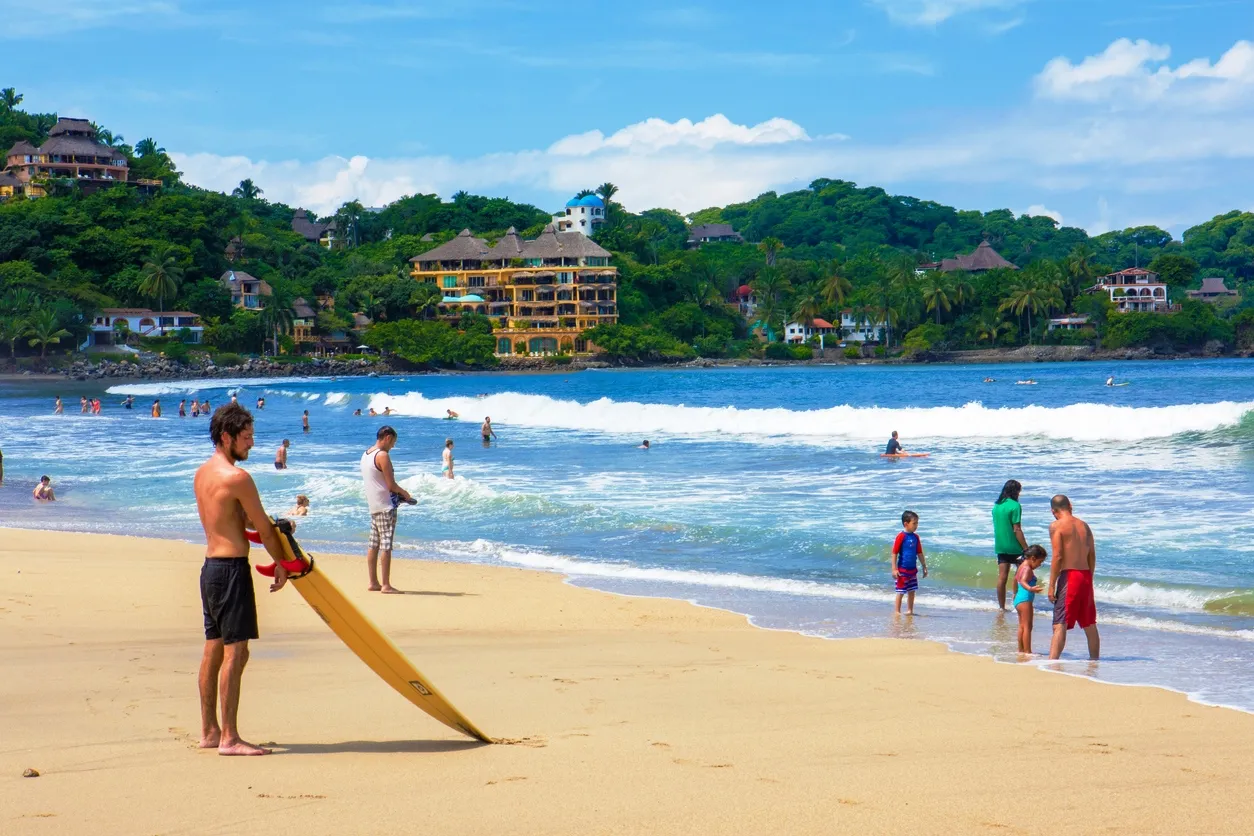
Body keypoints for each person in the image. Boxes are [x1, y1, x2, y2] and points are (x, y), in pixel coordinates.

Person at [192, 403, 290, 756]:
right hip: (231, 571)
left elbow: (233, 520)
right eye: (246, 438)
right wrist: (282, 563)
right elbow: (261, 527)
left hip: (210, 571)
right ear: (226, 436)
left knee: (213, 647)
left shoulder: (203, 474)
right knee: (237, 652)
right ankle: (230, 738)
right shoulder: (238, 478)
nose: (251, 444)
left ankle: (209, 731)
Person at [361, 425, 413, 593]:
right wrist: (406, 494)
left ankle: (373, 582)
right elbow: (391, 485)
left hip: (373, 505)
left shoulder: (366, 454)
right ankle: (385, 585)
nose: (393, 447)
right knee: (385, 545)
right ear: (388, 438)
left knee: (373, 544)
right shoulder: (382, 455)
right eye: (393, 443)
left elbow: (377, 483)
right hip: (385, 507)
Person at [1047, 495, 1100, 660]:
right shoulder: (1084, 526)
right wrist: (1089, 577)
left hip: (1070, 575)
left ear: (1053, 511)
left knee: (1059, 622)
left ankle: (1052, 662)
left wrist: (1051, 585)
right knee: (1089, 623)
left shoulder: (1057, 526)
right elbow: (1092, 555)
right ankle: (1094, 662)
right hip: (1085, 575)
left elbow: (1057, 556)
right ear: (1070, 505)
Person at [992, 479, 1029, 611]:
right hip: (1015, 546)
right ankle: (1016, 602)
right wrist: (1026, 548)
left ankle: (1001, 607)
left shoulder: (997, 506)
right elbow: (1017, 529)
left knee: (1002, 577)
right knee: (1019, 575)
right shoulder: (1015, 506)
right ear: (1016, 491)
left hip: (1001, 545)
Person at [891, 510, 927, 615]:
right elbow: (894, 553)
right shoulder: (901, 536)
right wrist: (894, 569)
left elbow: (919, 553)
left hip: (912, 570)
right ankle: (897, 612)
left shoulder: (916, 537)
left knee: (912, 591)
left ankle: (910, 610)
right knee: (900, 592)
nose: (916, 526)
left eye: (917, 523)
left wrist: (924, 566)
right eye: (914, 523)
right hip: (902, 570)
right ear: (906, 524)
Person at [1013, 545, 1047, 654]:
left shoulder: (1021, 566)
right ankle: (1027, 652)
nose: (1040, 565)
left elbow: (1016, 580)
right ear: (1033, 558)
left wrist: (1016, 593)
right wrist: (1031, 588)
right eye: (1040, 562)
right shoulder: (1027, 568)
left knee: (1022, 626)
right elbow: (1023, 581)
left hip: (1019, 599)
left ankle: (1021, 650)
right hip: (1025, 599)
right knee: (1028, 627)